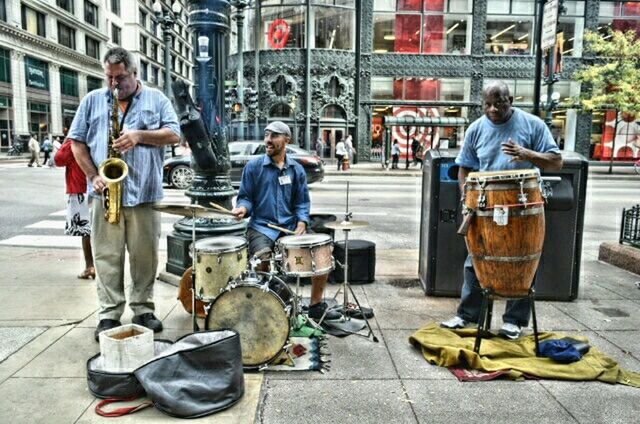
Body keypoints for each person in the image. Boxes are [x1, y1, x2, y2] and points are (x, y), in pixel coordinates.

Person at [68, 47, 181, 341]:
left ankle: (143, 309)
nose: (114, 84)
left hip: (145, 194)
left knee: (145, 258)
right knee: (106, 257)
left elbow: (174, 134)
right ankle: (109, 314)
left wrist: (139, 136)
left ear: (134, 73)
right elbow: (76, 143)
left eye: (120, 78)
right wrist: (93, 175)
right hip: (104, 195)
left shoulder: (157, 99)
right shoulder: (94, 100)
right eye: (109, 77)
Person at [441, 81, 562, 340]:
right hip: (485, 202)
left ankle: (514, 321)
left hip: (523, 203)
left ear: (511, 100)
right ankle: (467, 316)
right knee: (475, 260)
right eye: (488, 104)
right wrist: (466, 198)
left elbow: (556, 161)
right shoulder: (476, 128)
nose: (493, 109)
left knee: (523, 259)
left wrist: (526, 153)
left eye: (499, 103)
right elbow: (465, 167)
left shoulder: (533, 125)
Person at [232, 121, 341, 321]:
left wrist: (302, 223)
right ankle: (267, 303)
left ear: (286, 140)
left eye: (274, 136)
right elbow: (245, 197)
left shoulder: (296, 170)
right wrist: (242, 208)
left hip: (291, 227)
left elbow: (302, 202)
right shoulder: (254, 167)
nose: (268, 140)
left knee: (321, 254)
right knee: (262, 258)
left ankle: (316, 305)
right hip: (262, 227)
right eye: (267, 135)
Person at [55, 138, 95, 280]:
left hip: (80, 188)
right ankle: (96, 266)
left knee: (86, 230)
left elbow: (59, 159)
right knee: (98, 228)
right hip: (99, 185)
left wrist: (67, 141)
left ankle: (90, 266)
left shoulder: (74, 140)